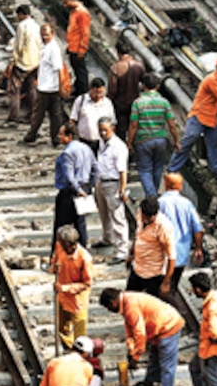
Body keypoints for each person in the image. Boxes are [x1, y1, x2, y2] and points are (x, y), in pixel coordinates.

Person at [100, 288, 184, 386]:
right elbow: (130, 328)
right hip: (158, 327)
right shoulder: (126, 301)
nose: (110, 310)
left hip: (169, 326)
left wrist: (136, 357)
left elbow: (139, 333)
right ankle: (150, 382)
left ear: (113, 302)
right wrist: (131, 348)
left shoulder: (131, 306)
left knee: (166, 366)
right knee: (154, 356)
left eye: (108, 307)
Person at [167, 54, 217, 177]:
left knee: (214, 144)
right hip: (199, 116)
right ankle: (172, 169)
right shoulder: (211, 80)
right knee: (188, 141)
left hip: (211, 118)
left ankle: (216, 171)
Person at [126, 73, 178, 197]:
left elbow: (134, 124)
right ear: (158, 86)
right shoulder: (164, 102)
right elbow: (171, 124)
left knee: (145, 170)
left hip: (143, 140)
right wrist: (176, 140)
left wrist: (129, 141)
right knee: (158, 169)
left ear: (143, 86)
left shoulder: (138, 103)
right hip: (160, 139)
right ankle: (153, 194)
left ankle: (151, 196)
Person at [53, 121, 96, 248]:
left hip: (69, 193)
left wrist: (77, 189)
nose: (58, 137)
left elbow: (69, 177)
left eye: (61, 134)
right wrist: (88, 187)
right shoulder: (86, 148)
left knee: (61, 227)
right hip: (84, 190)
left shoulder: (68, 153)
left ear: (69, 136)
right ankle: (83, 252)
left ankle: (56, 258)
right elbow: (96, 170)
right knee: (80, 224)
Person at [126, 195, 176, 300]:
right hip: (138, 268)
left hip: (154, 273)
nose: (147, 219)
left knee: (154, 304)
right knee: (129, 300)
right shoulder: (139, 213)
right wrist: (131, 254)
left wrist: (166, 282)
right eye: (146, 216)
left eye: (150, 217)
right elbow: (138, 235)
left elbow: (171, 256)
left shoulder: (163, 227)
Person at [24, 24, 67, 145]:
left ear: (52, 34)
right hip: (45, 85)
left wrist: (61, 86)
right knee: (54, 113)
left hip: (48, 88)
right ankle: (55, 137)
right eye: (42, 34)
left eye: (47, 34)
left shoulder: (53, 49)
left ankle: (33, 134)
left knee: (41, 113)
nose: (44, 37)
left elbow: (59, 69)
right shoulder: (44, 46)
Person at [93, 118, 129, 262]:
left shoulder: (118, 146)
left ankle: (122, 249)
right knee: (103, 213)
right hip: (101, 181)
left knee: (117, 216)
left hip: (113, 183)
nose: (102, 133)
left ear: (112, 128)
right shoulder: (102, 143)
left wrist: (122, 189)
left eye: (105, 130)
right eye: (100, 130)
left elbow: (122, 170)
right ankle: (107, 238)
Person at [50, 225, 92, 349]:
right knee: (62, 329)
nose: (58, 243)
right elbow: (54, 261)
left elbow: (86, 283)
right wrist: (53, 268)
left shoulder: (85, 258)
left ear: (70, 245)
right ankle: (69, 349)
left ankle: (80, 358)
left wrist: (65, 288)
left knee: (80, 336)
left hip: (77, 300)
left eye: (61, 242)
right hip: (62, 297)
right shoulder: (59, 247)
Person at [158, 173, 204, 279]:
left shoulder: (160, 203)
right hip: (182, 253)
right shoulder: (187, 204)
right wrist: (198, 248)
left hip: (164, 253)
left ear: (165, 184)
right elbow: (198, 228)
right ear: (180, 186)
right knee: (174, 282)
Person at [6, 4, 41, 124]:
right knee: (31, 89)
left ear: (21, 14)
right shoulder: (36, 26)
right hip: (35, 61)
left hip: (23, 62)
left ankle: (13, 116)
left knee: (14, 89)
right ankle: (33, 115)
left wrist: (13, 61)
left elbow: (18, 46)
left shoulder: (22, 26)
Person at [108, 39, 145, 140]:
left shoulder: (116, 68)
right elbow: (145, 83)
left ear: (118, 53)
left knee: (121, 129)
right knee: (134, 126)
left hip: (120, 104)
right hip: (135, 102)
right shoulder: (139, 66)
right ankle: (132, 146)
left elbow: (112, 90)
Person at [70, 77, 115, 153]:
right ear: (90, 90)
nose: (98, 96)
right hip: (84, 142)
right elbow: (72, 120)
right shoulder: (81, 100)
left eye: (101, 93)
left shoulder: (107, 103)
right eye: (95, 93)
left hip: (101, 143)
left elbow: (113, 123)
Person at [63, 0, 91, 98]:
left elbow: (85, 33)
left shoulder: (82, 13)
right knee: (76, 68)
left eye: (66, 2)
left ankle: (83, 92)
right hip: (73, 46)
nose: (65, 5)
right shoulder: (74, 12)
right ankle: (78, 88)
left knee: (81, 71)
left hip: (78, 48)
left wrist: (82, 49)